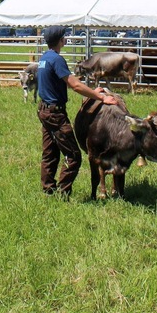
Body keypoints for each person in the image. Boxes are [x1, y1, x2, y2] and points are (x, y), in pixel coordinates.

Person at [36, 25, 120, 197]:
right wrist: (101, 97)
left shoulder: (44, 58)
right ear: (61, 40)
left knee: (50, 153)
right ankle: (63, 193)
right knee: (73, 155)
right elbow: (74, 85)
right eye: (64, 36)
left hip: (44, 110)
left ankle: (48, 190)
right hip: (55, 114)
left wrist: (91, 93)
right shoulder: (57, 59)